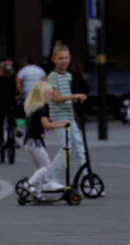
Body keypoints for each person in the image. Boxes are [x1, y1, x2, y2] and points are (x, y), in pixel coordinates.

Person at [43, 41, 87, 192]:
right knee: (65, 149)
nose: (64, 61)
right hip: (59, 118)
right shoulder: (52, 77)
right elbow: (56, 98)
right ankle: (49, 179)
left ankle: (87, 180)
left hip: (70, 116)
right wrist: (75, 96)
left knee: (80, 150)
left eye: (66, 58)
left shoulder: (69, 76)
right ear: (54, 59)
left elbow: (71, 96)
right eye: (60, 58)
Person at [21, 81, 70, 198]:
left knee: (39, 168)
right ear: (42, 95)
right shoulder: (41, 108)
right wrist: (62, 124)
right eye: (49, 94)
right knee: (47, 167)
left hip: (29, 142)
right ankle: (28, 184)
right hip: (35, 143)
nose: (51, 97)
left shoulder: (32, 107)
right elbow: (46, 125)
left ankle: (37, 193)